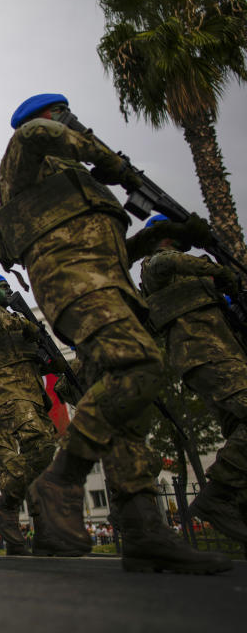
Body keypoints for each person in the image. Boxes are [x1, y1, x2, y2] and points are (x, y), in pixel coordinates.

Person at [0, 92, 229, 573]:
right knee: (138, 365)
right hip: (74, 285)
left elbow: (116, 245)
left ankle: (143, 531)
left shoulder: (76, 183)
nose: (73, 125)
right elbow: (38, 133)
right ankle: (63, 477)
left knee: (127, 417)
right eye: (65, 118)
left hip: (109, 286)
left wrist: (181, 237)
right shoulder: (25, 157)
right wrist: (112, 163)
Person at [139, 214, 247, 540]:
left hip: (224, 356)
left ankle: (236, 505)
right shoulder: (157, 264)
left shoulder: (190, 274)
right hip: (205, 357)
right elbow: (170, 262)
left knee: (238, 433)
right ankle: (219, 494)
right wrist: (221, 270)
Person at [0, 274, 58, 555]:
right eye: (2, 287)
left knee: (41, 465)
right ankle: (5, 505)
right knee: (42, 446)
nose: (8, 290)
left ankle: (44, 534)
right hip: (10, 395)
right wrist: (26, 326)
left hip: (31, 396)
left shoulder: (16, 327)